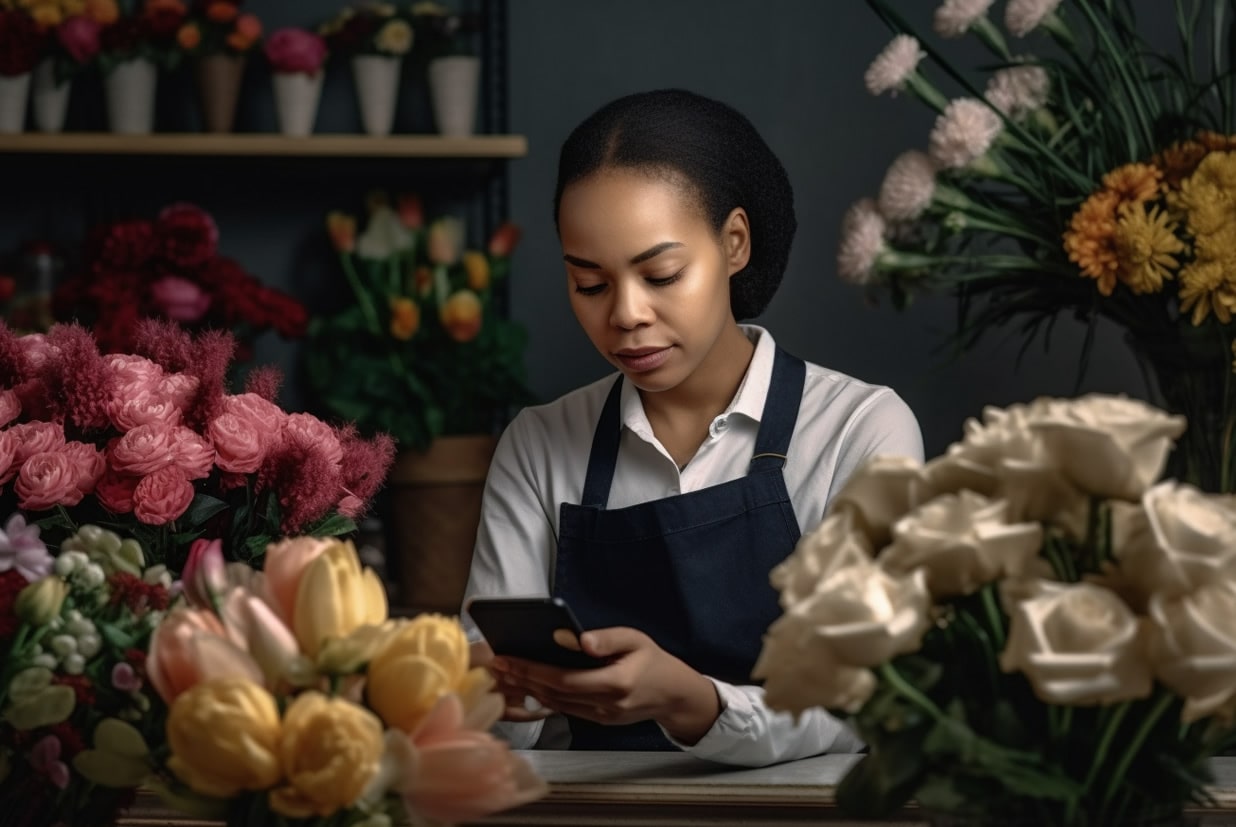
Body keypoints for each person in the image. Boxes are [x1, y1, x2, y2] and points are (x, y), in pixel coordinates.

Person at [462, 88, 924, 767]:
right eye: (590, 284)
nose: (625, 314)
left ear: (734, 242)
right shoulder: (538, 443)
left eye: (661, 274)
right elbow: (494, 724)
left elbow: (872, 697)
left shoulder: (859, 428)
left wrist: (694, 702)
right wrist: (487, 690)